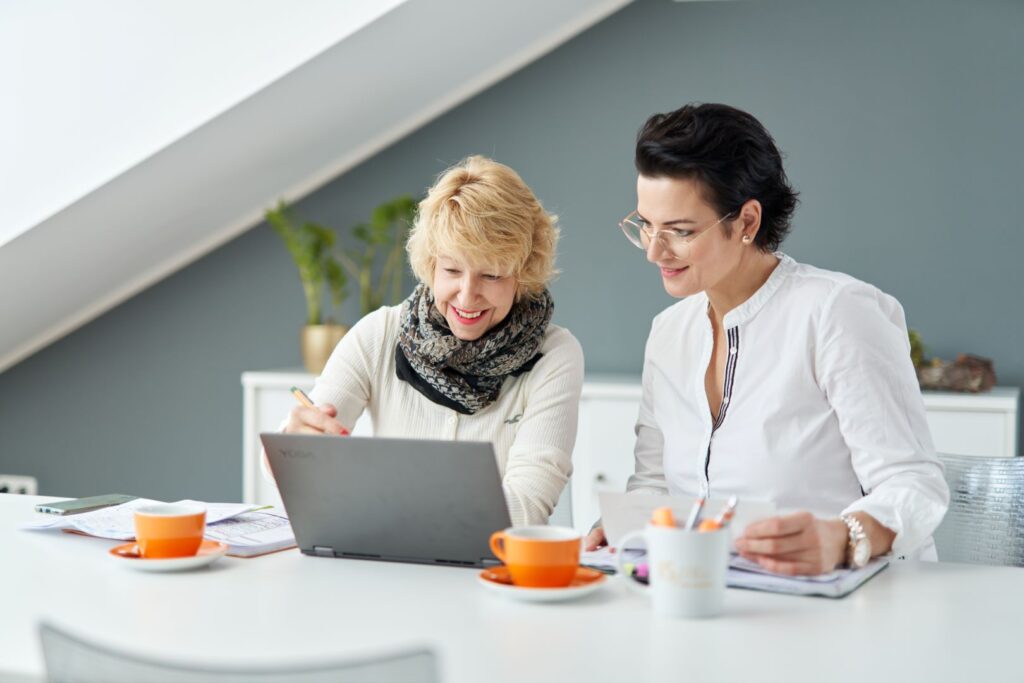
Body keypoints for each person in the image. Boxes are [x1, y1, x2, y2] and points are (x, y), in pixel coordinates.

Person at [585, 104, 949, 575]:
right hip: (717, 598)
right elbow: (654, 483)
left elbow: (914, 484)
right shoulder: (668, 333)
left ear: (747, 223)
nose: (655, 251)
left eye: (679, 231)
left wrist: (842, 539)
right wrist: (625, 529)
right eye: (645, 226)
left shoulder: (838, 312)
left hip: (846, 602)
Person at [276, 155, 584, 527]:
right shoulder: (378, 334)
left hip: (493, 576)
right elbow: (299, 475)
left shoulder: (554, 356)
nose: (467, 296)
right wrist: (294, 448)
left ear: (524, 273)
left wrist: (382, 501)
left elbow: (527, 508)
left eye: (491, 275)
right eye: (452, 270)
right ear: (431, 264)